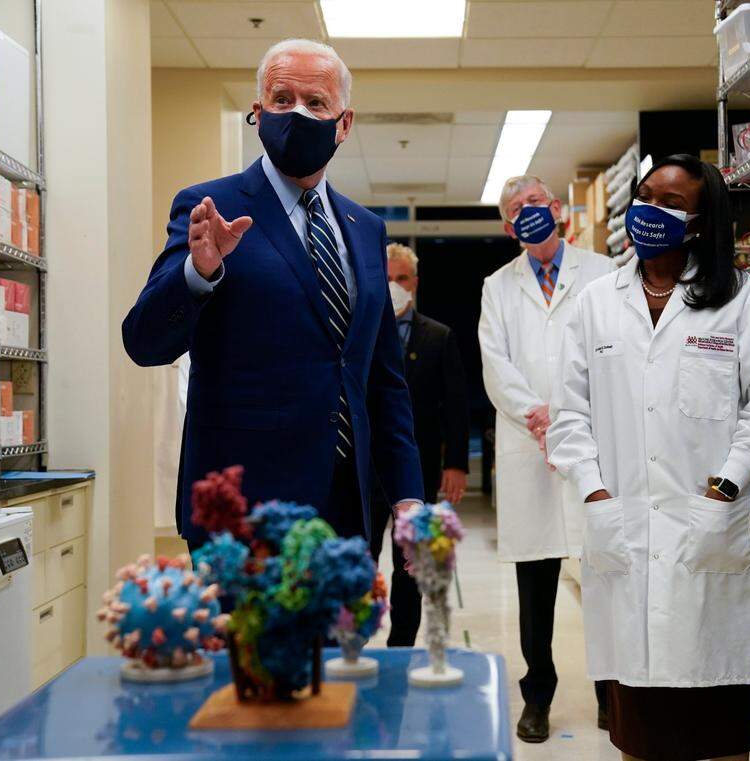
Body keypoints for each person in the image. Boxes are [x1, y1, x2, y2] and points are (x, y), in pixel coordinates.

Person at [547, 154, 750, 761]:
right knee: (640, 734)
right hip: (626, 533)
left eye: (670, 203)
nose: (649, 212)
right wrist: (595, 491)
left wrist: (728, 483)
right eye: (643, 196)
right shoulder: (595, 304)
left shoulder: (739, 299)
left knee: (720, 736)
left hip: (706, 533)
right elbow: (569, 416)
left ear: (699, 220)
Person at [123, 39, 423, 549]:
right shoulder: (208, 206)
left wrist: (407, 497)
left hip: (347, 510)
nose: (298, 114)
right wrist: (199, 273)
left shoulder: (365, 227)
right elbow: (144, 342)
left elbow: (381, 378)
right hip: (242, 515)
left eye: (316, 103)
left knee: (339, 634)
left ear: (343, 123)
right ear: (257, 114)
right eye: (282, 100)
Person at [478, 175, 615, 743]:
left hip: (594, 444)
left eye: (534, 203)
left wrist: (570, 416)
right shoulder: (497, 286)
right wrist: (539, 414)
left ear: (555, 209)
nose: (526, 214)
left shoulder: (604, 272)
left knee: (607, 574)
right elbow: (495, 363)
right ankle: (538, 695)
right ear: (509, 227)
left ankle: (614, 693)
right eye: (515, 210)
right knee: (536, 585)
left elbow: (613, 351)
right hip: (529, 445)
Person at [368, 242, 471, 646]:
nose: (394, 285)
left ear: (415, 283)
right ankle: (355, 637)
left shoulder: (438, 337)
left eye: (402, 279)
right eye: (388, 278)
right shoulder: (361, 334)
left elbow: (456, 407)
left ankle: (401, 644)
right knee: (363, 553)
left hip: (418, 466)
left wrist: (456, 463)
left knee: (408, 562)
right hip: (365, 467)